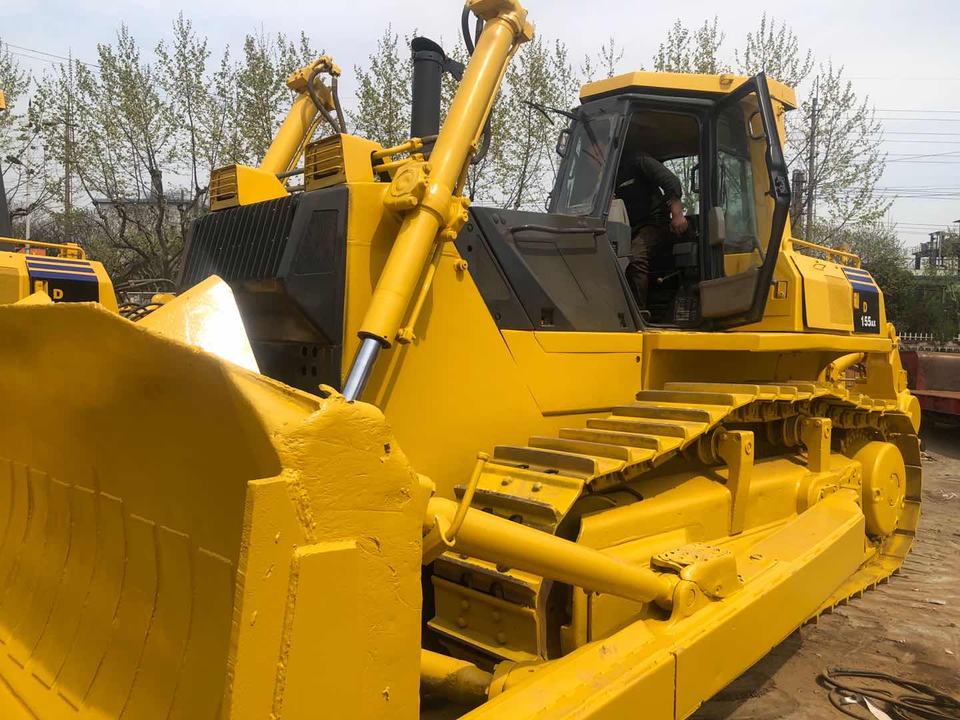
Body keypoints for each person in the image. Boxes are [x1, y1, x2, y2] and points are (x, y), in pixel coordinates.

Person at [621, 153, 689, 310]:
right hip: (626, 229)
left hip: (655, 224)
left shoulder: (637, 161)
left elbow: (671, 181)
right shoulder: (605, 176)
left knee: (635, 256)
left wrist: (677, 214)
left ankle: (638, 311)